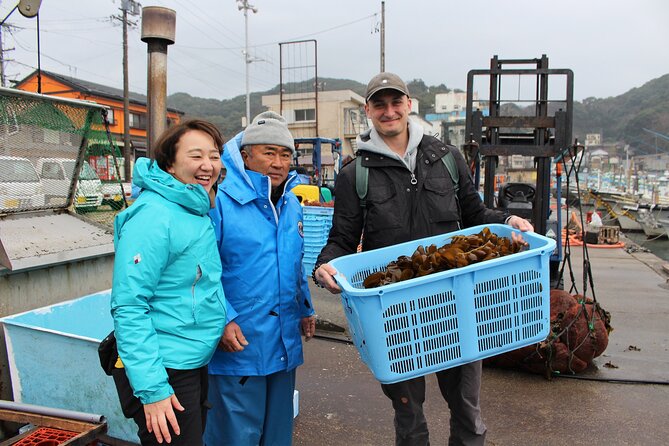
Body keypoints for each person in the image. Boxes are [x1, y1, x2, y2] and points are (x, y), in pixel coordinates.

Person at [313, 72, 533, 446]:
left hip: (456, 302)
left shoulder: (446, 157)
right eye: (379, 104)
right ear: (368, 110)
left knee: (466, 407)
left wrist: (507, 219)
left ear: (409, 105)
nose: (389, 111)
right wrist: (323, 267)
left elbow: (475, 214)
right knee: (409, 413)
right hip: (396, 312)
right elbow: (342, 239)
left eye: (395, 102)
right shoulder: (355, 173)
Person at [110, 120, 227, 445]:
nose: (208, 165)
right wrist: (153, 390)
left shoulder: (190, 208)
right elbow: (130, 306)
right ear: (169, 164)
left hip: (188, 360)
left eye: (214, 155)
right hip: (164, 368)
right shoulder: (155, 216)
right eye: (196, 156)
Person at [205, 111, 316, 446]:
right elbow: (200, 268)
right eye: (268, 152)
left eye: (285, 154)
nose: (278, 162)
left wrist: (306, 307)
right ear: (245, 155)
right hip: (239, 342)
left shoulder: (292, 204)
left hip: (283, 342)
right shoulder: (220, 202)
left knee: (277, 435)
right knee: (236, 435)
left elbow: (294, 263)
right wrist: (223, 319)